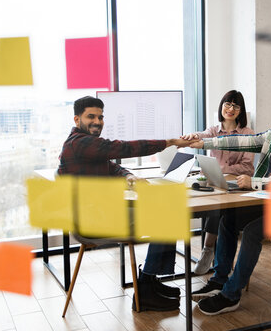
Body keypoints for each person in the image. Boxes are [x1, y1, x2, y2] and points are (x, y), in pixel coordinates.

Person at [188, 90, 271, 315]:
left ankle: (231, 295)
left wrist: (254, 182)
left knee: (252, 231)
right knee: (228, 217)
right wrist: (202, 142)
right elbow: (242, 140)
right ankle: (220, 279)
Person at [58, 96, 193, 312]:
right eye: (90, 116)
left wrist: (129, 176)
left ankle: (149, 281)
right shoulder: (79, 144)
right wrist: (171, 142)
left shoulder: (86, 146)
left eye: (100, 117)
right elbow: (124, 148)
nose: (97, 121)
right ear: (77, 119)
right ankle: (147, 285)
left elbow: (113, 167)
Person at [181, 90, 254, 275]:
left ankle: (208, 251)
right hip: (215, 184)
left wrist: (222, 170)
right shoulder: (214, 130)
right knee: (213, 202)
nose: (230, 109)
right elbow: (203, 135)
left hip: (237, 187)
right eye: (227, 104)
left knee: (218, 207)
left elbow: (247, 167)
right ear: (221, 106)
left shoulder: (248, 133)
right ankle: (210, 252)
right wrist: (192, 136)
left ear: (241, 111)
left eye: (235, 106)